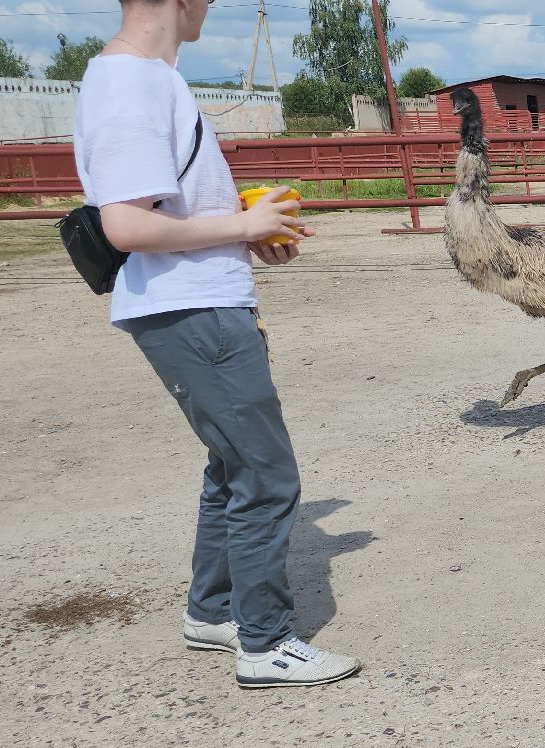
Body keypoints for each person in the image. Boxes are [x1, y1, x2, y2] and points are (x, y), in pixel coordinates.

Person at [74, 0, 361, 688]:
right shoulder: (130, 82)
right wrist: (241, 226)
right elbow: (126, 228)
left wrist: (246, 229)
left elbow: (163, 214)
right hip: (193, 311)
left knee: (231, 465)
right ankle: (265, 643)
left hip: (203, 302)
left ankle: (212, 610)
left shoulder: (150, 77)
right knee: (267, 474)